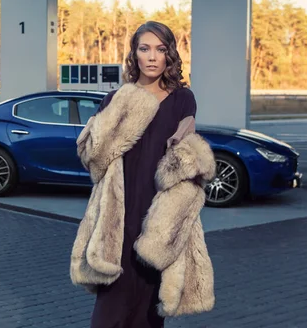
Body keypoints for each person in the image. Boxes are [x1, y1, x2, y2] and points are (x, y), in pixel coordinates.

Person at [70, 21, 217, 328]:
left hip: (158, 215)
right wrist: (130, 102)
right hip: (117, 215)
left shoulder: (182, 98)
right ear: (134, 54)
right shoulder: (117, 99)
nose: (152, 57)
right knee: (109, 311)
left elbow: (187, 157)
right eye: (145, 48)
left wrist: (186, 150)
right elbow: (93, 159)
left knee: (149, 311)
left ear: (169, 56)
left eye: (160, 50)